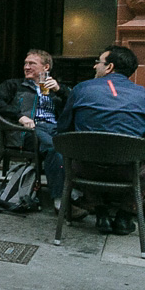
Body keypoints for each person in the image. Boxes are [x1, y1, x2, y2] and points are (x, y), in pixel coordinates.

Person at [58, 45, 145, 235]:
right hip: (128, 171)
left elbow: (63, 129)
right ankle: (125, 214)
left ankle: (101, 212)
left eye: (98, 62)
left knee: (83, 151)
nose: (94, 67)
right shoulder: (143, 95)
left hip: (85, 170)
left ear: (109, 67)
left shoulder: (81, 89)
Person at [0, 49, 69, 210]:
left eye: (32, 63)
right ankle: (60, 199)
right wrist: (20, 117)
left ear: (46, 67)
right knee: (54, 147)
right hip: (28, 130)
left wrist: (61, 91)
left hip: (54, 128)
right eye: (25, 63)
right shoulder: (13, 85)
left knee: (71, 145)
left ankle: (77, 195)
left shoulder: (56, 88)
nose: (26, 67)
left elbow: (75, 106)